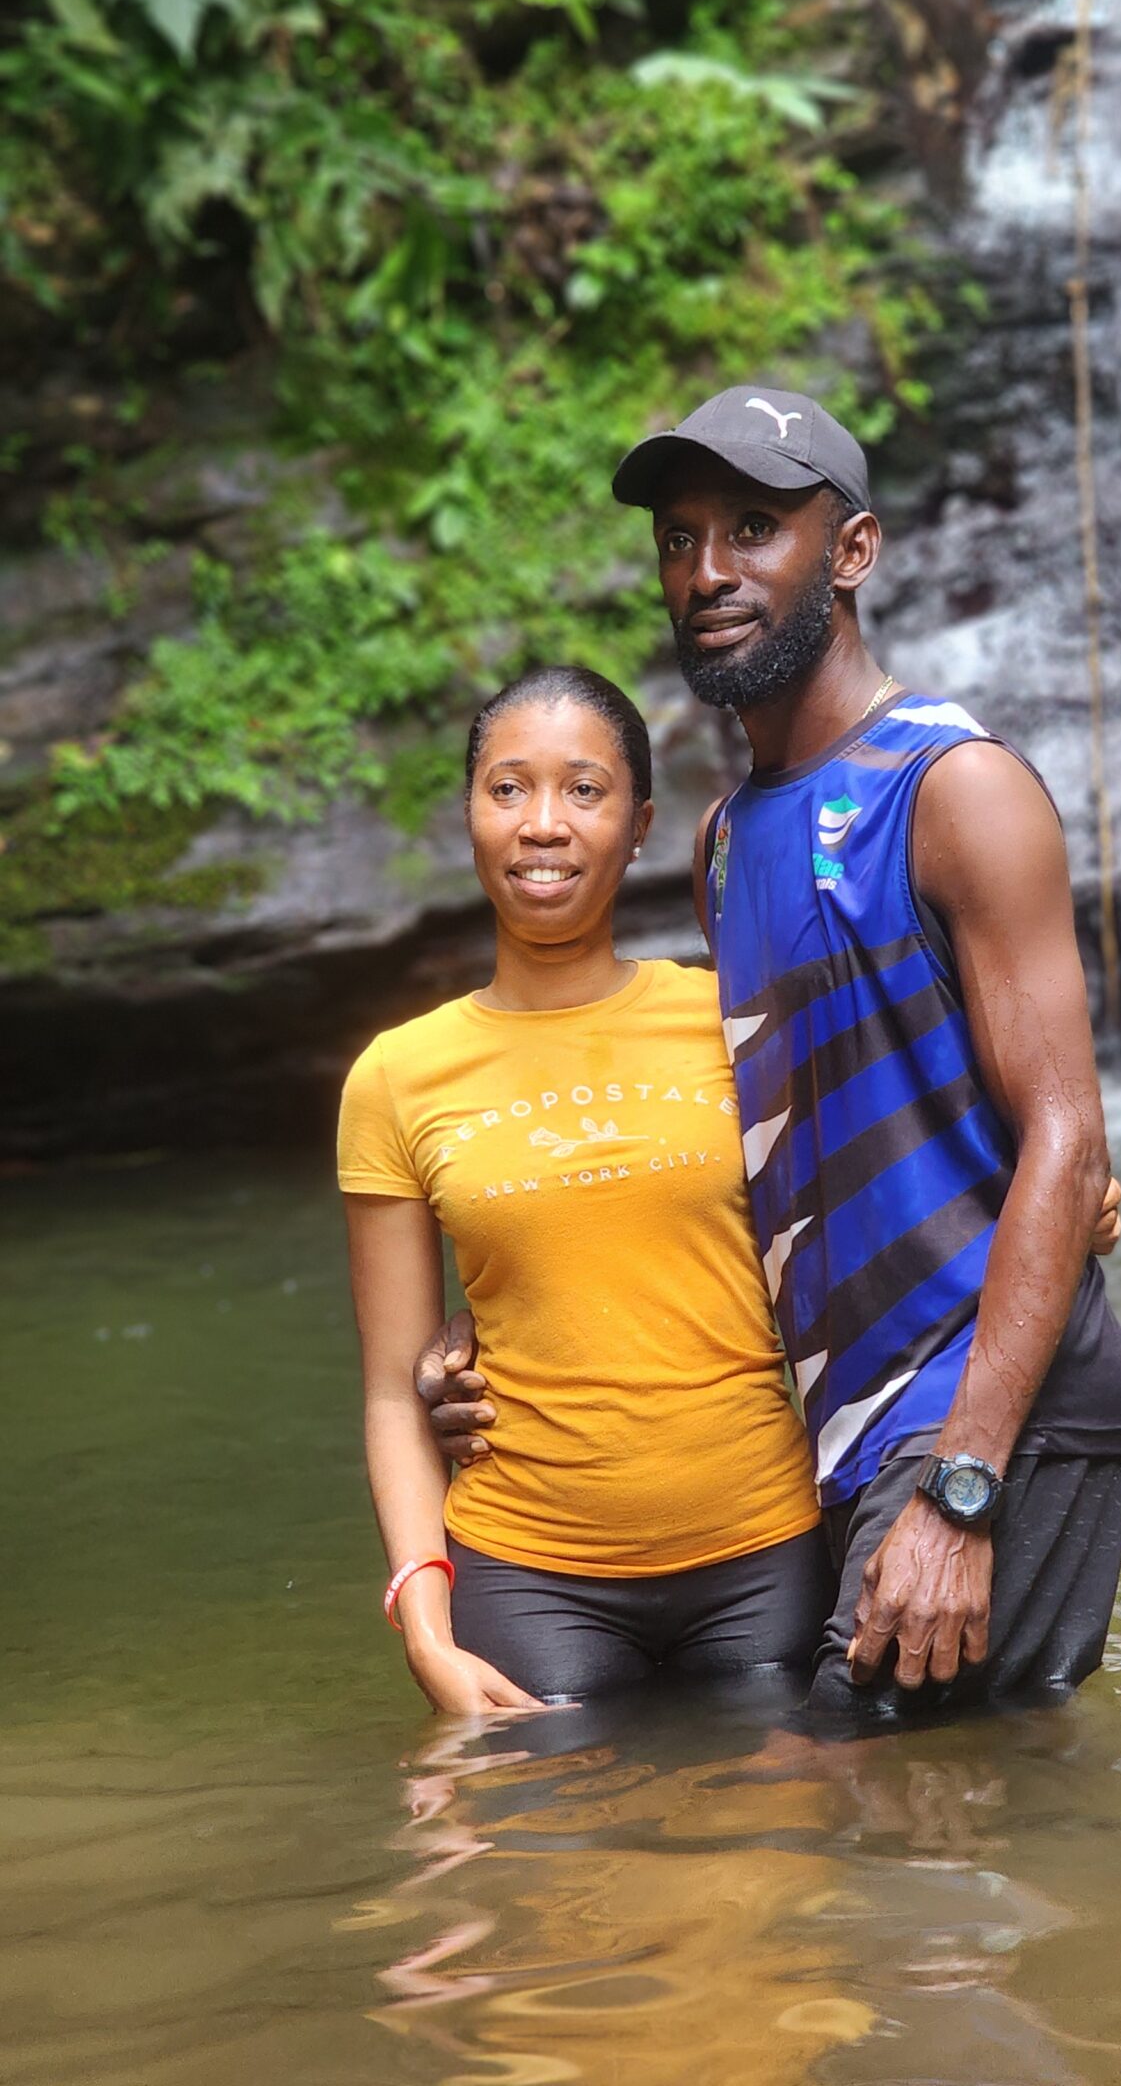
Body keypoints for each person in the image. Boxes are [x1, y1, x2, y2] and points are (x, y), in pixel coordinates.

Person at [422, 387, 1121, 1723]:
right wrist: (497, 1332)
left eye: (754, 528)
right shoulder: (725, 843)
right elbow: (773, 1151)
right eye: (680, 539)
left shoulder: (957, 791)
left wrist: (964, 1490)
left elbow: (1067, 1138)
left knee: (832, 1807)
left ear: (852, 550)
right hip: (849, 1439)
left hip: (985, 1414)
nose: (708, 571)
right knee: (951, 1814)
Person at [338, 665, 831, 1712]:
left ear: (640, 824)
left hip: (765, 1551)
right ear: (469, 816)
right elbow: (391, 1390)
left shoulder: (734, 1020)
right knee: (546, 1823)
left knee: (792, 1820)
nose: (543, 824)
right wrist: (424, 1626)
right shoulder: (395, 1077)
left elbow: (867, 1208)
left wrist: (1045, 1191)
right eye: (508, 788)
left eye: (585, 790)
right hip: (528, 1575)